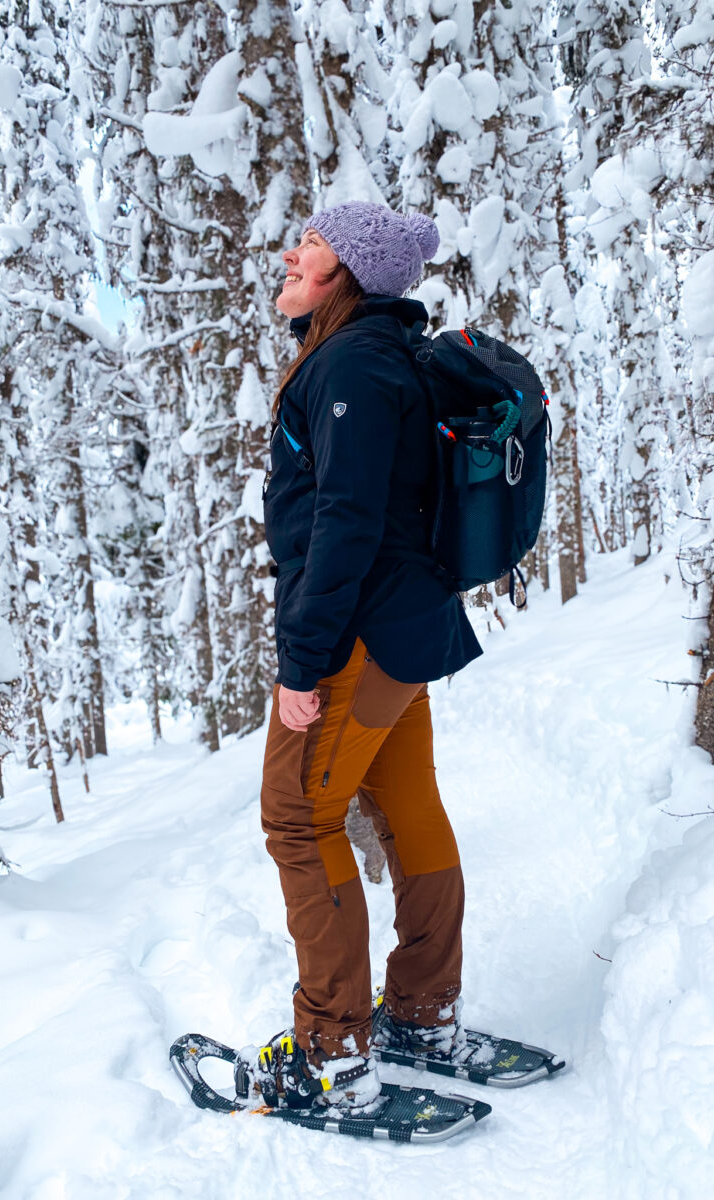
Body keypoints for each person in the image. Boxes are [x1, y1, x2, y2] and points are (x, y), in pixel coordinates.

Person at [248, 201, 482, 1113]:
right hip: (402, 629)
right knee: (407, 803)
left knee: (297, 821)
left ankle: (332, 1052)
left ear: (344, 269)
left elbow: (343, 522)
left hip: (357, 636)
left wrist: (301, 665)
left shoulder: (349, 363)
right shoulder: (380, 356)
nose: (289, 254)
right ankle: (423, 1014)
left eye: (307, 244)